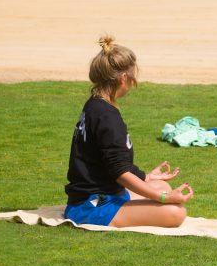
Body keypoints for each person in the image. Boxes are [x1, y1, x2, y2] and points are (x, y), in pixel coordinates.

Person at [64, 36, 193, 228]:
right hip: (93, 204)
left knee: (161, 186)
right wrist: (163, 198)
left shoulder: (95, 104)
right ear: (123, 78)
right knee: (175, 212)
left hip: (102, 194)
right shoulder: (107, 117)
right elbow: (120, 172)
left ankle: (148, 192)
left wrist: (146, 177)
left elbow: (110, 161)